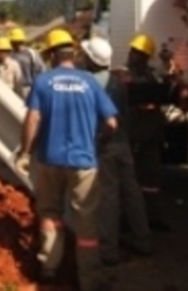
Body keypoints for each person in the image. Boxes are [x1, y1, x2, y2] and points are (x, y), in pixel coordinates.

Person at [18, 28, 118, 290]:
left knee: (50, 213)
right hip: (84, 162)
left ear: (51, 55)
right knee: (86, 225)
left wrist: (25, 151)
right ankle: (90, 279)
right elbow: (111, 122)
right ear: (72, 53)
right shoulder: (90, 82)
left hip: (50, 159)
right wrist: (97, 140)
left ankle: (49, 268)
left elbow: (33, 119)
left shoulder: (43, 82)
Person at [82, 35, 153, 266]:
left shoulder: (90, 82)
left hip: (106, 143)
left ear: (91, 60)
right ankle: (143, 241)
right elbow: (124, 114)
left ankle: (108, 250)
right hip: (122, 143)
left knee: (109, 196)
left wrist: (101, 139)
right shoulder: (117, 82)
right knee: (132, 191)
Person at [123, 33, 172, 231]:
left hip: (148, 135)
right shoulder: (124, 76)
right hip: (134, 134)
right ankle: (129, 219)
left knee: (150, 179)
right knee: (130, 179)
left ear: (144, 56)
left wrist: (167, 65)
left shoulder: (151, 77)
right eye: (132, 51)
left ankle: (151, 216)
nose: (131, 55)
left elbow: (167, 90)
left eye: (136, 52)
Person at [9, 27, 44, 99]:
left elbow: (41, 70)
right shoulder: (10, 55)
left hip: (29, 88)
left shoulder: (31, 53)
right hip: (15, 90)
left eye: (16, 42)